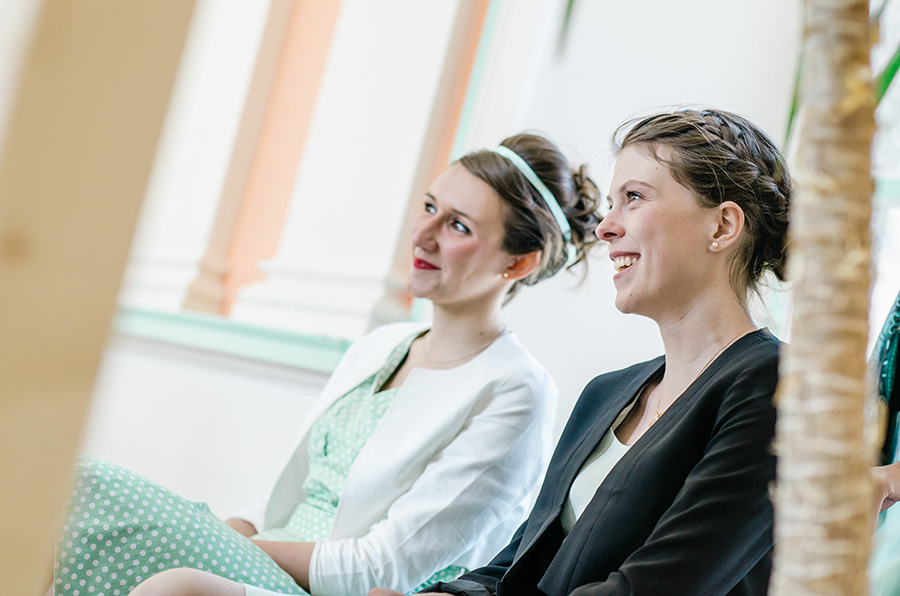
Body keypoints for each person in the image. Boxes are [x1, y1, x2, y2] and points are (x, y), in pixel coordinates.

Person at [49, 133, 602, 596]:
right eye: (430, 207)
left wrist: (216, 542)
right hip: (265, 555)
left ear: (520, 261)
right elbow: (276, 503)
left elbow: (388, 568)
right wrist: (209, 532)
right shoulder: (379, 347)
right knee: (70, 510)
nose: (424, 234)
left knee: (95, 493)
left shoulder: (515, 389)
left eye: (459, 226)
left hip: (332, 589)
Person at [368, 108, 793, 596]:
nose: (605, 227)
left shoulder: (775, 386)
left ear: (722, 227)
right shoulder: (606, 394)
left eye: (633, 198)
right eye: (611, 203)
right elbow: (515, 569)